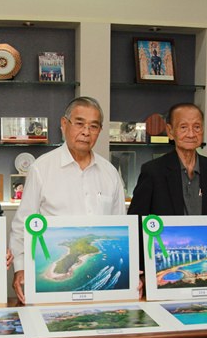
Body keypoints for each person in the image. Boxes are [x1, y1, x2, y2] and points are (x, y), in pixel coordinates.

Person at [9, 96, 126, 303]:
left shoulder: (110, 173)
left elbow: (121, 227)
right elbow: (22, 225)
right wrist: (20, 268)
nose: (86, 132)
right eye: (79, 123)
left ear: (100, 130)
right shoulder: (42, 169)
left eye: (93, 126)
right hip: (50, 273)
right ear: (64, 124)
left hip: (101, 284)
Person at [128, 103, 207, 217]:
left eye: (197, 127)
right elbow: (135, 218)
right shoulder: (153, 171)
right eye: (183, 127)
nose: (191, 134)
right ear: (170, 132)